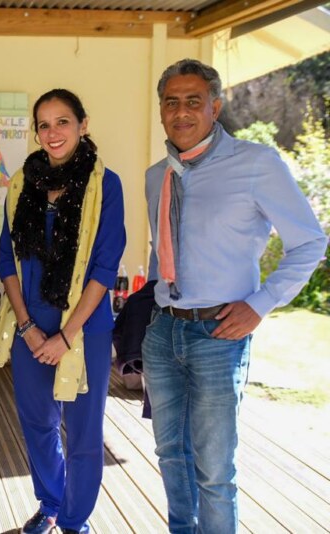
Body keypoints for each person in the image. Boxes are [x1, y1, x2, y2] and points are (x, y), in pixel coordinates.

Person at [143, 58, 326, 534]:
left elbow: (310, 241)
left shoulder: (256, 164)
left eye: (194, 101)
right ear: (160, 110)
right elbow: (163, 249)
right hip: (164, 332)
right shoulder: (156, 175)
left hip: (219, 336)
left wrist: (260, 304)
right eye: (171, 102)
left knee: (214, 469)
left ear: (216, 107)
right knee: (170, 454)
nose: (181, 111)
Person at [0, 89, 126, 534]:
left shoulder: (105, 185)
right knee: (37, 422)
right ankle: (50, 503)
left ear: (83, 125)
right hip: (30, 324)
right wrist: (27, 326)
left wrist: (66, 336)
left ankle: (73, 520)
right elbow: (7, 261)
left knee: (83, 432)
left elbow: (104, 266)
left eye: (62, 121)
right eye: (44, 125)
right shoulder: (21, 184)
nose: (53, 132)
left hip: (84, 327)